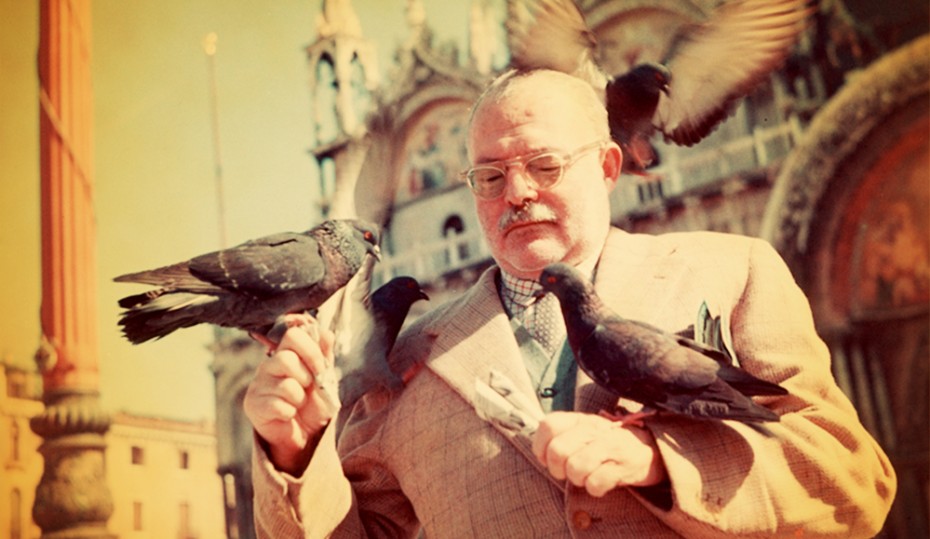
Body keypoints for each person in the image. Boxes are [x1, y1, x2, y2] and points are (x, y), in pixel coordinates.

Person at [243, 68, 896, 537]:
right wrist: (294, 455)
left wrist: (659, 463)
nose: (517, 193)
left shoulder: (733, 271)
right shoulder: (407, 358)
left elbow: (850, 482)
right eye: (491, 177)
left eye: (545, 166)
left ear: (609, 167)